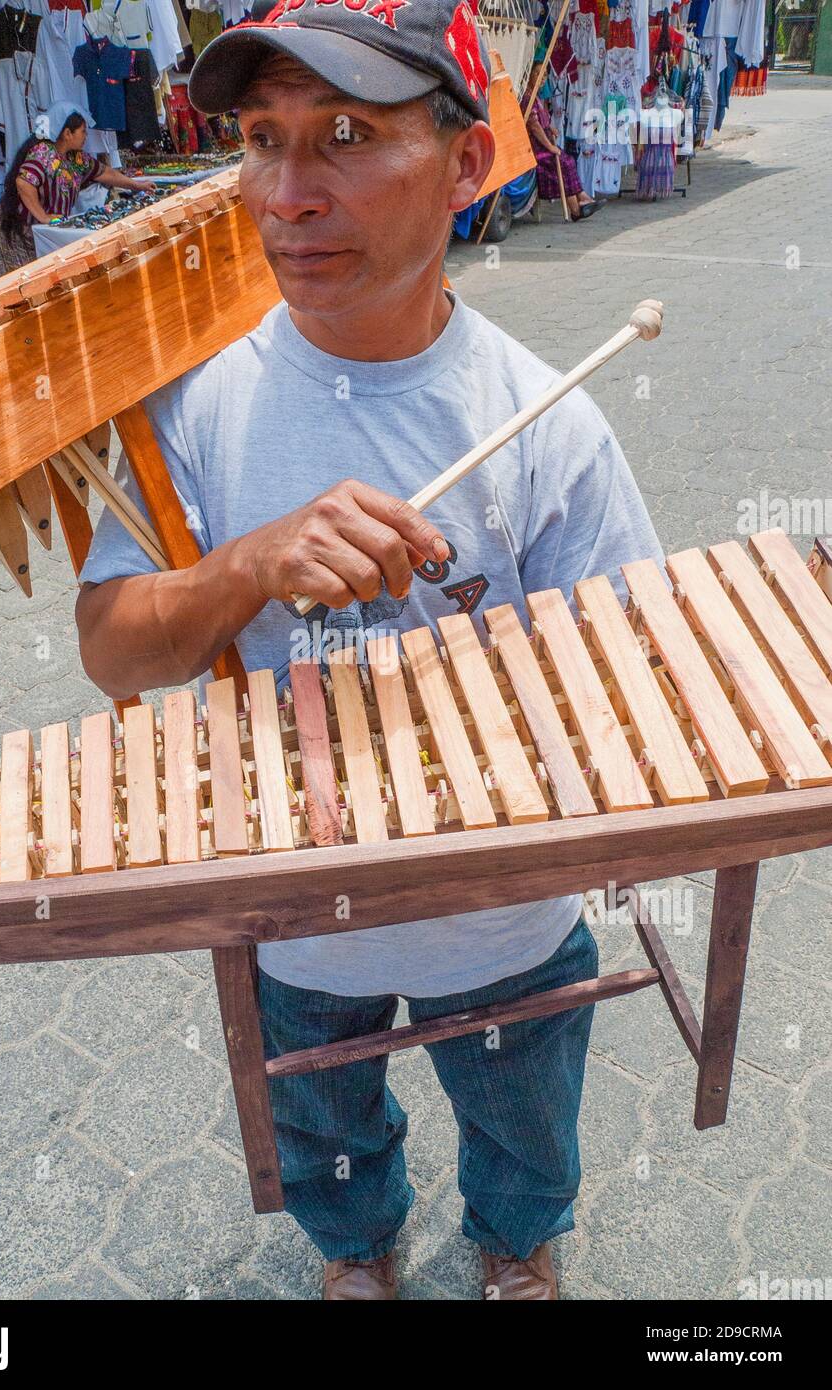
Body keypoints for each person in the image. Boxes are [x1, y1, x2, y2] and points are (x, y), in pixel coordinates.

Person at [75, 1, 663, 1302]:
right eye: (259, 138)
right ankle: (359, 1248)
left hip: (499, 919)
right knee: (325, 1129)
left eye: (344, 136)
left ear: (463, 165)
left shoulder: (543, 422)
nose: (287, 194)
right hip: (292, 924)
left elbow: (632, 685)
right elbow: (113, 657)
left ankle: (515, 1237)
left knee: (522, 1113)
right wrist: (244, 565)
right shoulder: (190, 407)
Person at [0, 101, 156, 275]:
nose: (86, 136)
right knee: (26, 283)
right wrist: (43, 216)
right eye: (83, 132)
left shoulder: (75, 159)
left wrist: (137, 185)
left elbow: (105, 173)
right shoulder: (43, 154)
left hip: (36, 231)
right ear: (67, 133)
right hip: (14, 230)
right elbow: (24, 183)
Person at [524, 80, 601, 220]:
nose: (541, 80)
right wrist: (550, 147)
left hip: (544, 144)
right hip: (536, 149)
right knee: (563, 163)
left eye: (543, 76)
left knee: (568, 161)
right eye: (537, 75)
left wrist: (549, 128)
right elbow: (534, 127)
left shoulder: (536, 96)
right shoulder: (527, 99)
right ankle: (577, 209)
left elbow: (542, 123)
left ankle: (581, 201)